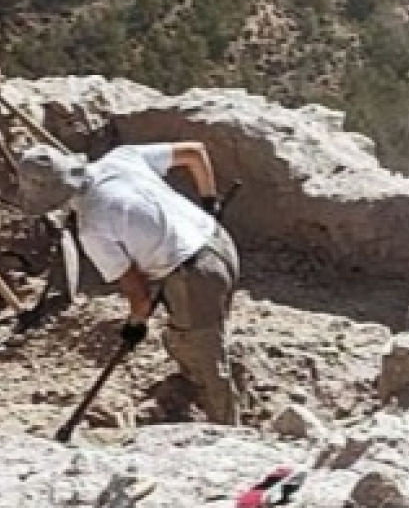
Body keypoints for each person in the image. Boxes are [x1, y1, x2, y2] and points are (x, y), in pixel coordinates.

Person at [17, 140, 241, 424]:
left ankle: (228, 428)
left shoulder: (92, 228)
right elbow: (195, 153)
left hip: (195, 276)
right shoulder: (123, 158)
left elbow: (140, 297)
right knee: (207, 332)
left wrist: (134, 327)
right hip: (219, 242)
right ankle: (204, 392)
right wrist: (210, 202)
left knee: (198, 353)